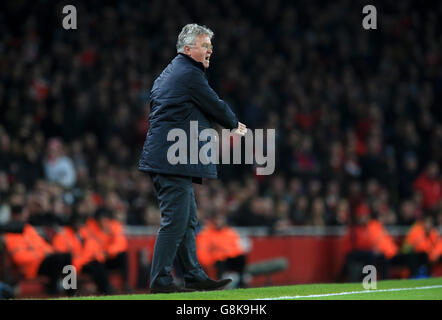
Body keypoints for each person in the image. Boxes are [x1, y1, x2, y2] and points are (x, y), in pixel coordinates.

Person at [138, 23, 247, 293]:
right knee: (175, 221)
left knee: (186, 221)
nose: (210, 50)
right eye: (204, 46)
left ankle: (193, 275)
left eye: (211, 46)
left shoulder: (169, 73)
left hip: (171, 157)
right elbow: (213, 102)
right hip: (171, 159)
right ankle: (160, 281)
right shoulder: (188, 73)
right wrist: (233, 123)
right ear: (187, 49)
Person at [3, 203, 73, 296]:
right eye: (24, 214)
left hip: (42, 261)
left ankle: (71, 291)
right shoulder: (10, 234)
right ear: (15, 215)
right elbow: (20, 258)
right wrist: (42, 255)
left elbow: (46, 247)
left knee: (66, 257)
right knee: (56, 260)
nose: (26, 217)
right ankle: (54, 292)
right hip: (32, 268)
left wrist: (46, 254)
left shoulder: (28, 229)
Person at [52, 213, 114, 295]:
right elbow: (60, 254)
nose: (79, 225)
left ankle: (106, 290)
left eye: (80, 223)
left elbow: (93, 249)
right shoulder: (62, 235)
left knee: (97, 264)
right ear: (72, 222)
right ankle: (72, 293)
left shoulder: (83, 234)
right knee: (68, 264)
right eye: (77, 222)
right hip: (70, 265)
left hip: (82, 263)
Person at [196, 212, 248, 288]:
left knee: (241, 258)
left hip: (228, 259)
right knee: (219, 262)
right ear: (213, 221)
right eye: (217, 219)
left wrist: (224, 253)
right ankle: (219, 283)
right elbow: (202, 253)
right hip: (214, 261)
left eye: (221, 219)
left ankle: (241, 281)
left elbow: (238, 250)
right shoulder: (205, 234)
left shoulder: (230, 233)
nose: (219, 222)